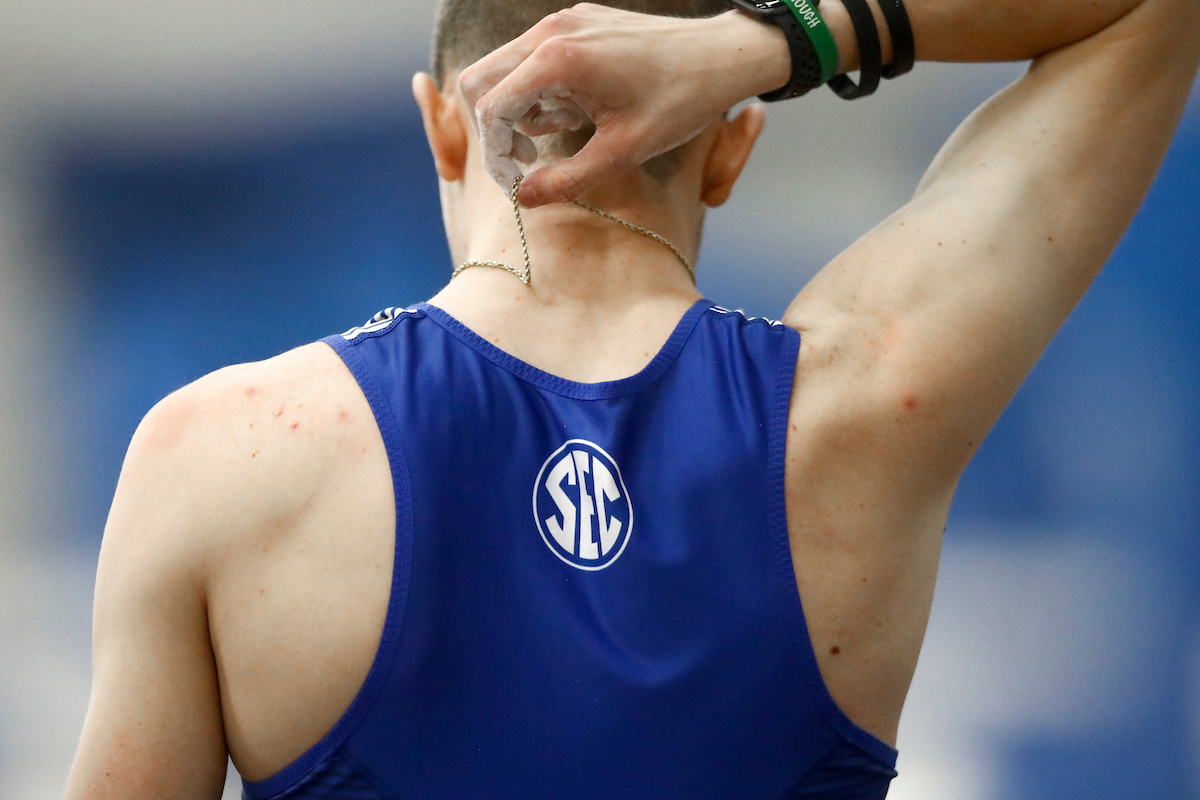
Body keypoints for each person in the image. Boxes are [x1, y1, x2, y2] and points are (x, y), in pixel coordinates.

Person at [64, 0, 1198, 797]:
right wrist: (771, 40)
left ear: (441, 124)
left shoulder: (221, 455)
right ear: (729, 148)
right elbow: (1148, 13)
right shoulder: (856, 410)